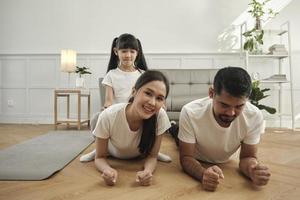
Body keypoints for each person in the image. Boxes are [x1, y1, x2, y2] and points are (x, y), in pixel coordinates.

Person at [80, 33, 171, 162]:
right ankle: (99, 149)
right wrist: (106, 111)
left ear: (137, 53)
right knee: (97, 117)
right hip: (119, 116)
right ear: (116, 52)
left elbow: (157, 95)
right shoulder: (111, 75)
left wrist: (160, 109)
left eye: (132, 51)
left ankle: (153, 151)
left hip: (140, 114)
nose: (128, 55)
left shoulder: (143, 74)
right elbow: (108, 100)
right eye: (124, 51)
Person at [178, 66, 271, 191]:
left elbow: (247, 157)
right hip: (196, 154)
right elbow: (186, 157)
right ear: (211, 93)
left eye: (239, 106)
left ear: (247, 100)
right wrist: (202, 173)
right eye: (224, 105)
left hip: (222, 157)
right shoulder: (190, 112)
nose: (231, 113)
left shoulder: (254, 116)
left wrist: (252, 170)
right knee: (175, 135)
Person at [94, 70, 171, 186]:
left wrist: (147, 171)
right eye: (148, 93)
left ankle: (146, 148)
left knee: (153, 152)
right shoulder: (109, 115)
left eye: (159, 98)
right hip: (113, 152)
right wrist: (107, 170)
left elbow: (152, 156)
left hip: (140, 154)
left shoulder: (160, 116)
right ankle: (96, 148)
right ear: (134, 91)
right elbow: (99, 158)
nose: (152, 103)